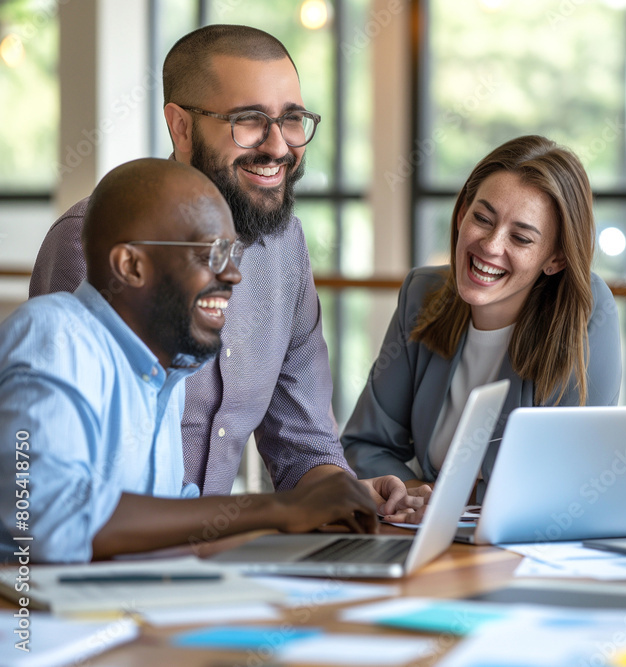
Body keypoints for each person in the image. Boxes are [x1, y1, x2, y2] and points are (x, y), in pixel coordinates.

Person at [29, 25, 423, 516]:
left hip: (206, 564)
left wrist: (344, 496)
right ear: (181, 128)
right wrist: (262, 517)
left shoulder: (285, 245)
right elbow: (56, 502)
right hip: (98, 573)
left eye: (293, 118)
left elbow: (304, 446)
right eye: (250, 120)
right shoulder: (96, 243)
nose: (279, 147)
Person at [1, 159, 383, 564]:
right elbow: (51, 522)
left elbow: (180, 526)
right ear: (130, 266)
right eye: (211, 253)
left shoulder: (165, 373)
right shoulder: (54, 336)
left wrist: (312, 542)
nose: (233, 274)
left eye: (232, 252)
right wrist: (281, 508)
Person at [343, 135, 622, 490]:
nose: (491, 246)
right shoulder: (422, 295)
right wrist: (414, 493)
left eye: (520, 238)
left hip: (530, 541)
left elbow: (575, 477)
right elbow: (364, 445)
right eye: (483, 218)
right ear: (462, 215)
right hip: (427, 535)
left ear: (556, 258)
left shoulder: (586, 311)